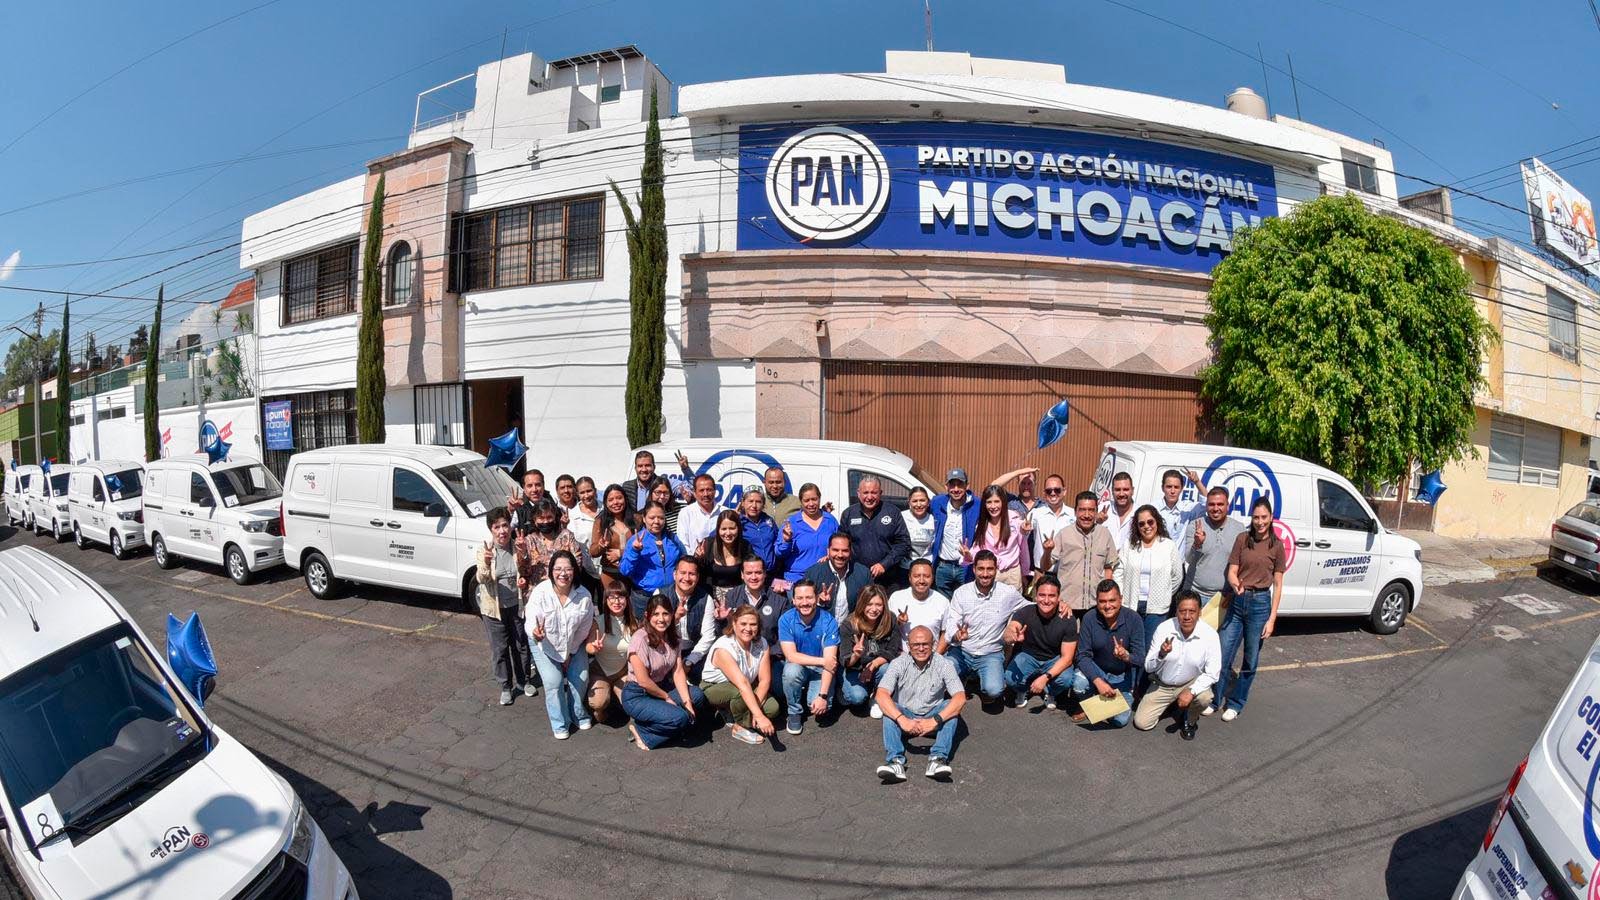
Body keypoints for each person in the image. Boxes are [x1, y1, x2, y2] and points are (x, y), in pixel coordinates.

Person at [1212, 496, 1287, 722]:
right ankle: (1215, 700)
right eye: (1256, 517)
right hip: (1238, 600)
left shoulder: (1277, 546)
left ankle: (1236, 703)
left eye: (1264, 517)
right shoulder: (1242, 539)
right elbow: (1232, 571)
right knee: (1223, 653)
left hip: (1260, 604)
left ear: (1271, 518)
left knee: (1250, 658)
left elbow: (1278, 585)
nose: (1260, 522)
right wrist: (1235, 583)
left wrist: (1272, 619)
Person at [874, 625, 965, 783]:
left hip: (933, 717)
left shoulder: (944, 664)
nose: (921, 648)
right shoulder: (898, 663)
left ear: (933, 644)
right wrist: (902, 719)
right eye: (916, 645)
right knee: (889, 707)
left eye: (925, 644)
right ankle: (895, 762)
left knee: (951, 707)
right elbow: (881, 694)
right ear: (909, 646)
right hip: (905, 718)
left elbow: (960, 697)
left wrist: (934, 720)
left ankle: (937, 759)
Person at [939, 551, 1027, 706]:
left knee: (994, 690)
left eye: (990, 569)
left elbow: (1031, 607)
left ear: (996, 569)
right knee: (942, 675)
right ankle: (964, 677)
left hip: (990, 654)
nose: (985, 574)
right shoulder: (961, 593)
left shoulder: (1008, 593)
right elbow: (951, 624)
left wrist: (1058, 605)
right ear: (974, 569)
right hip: (962, 651)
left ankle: (980, 680)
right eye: (981, 569)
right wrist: (957, 635)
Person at [621, 595, 708, 750]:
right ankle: (642, 731)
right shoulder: (639, 639)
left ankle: (665, 720)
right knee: (680, 718)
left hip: (661, 687)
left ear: (672, 615)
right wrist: (666, 697)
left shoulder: (673, 637)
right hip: (638, 695)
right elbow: (643, 681)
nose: (661, 619)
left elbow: (678, 671)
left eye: (665, 614)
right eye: (656, 614)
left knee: (697, 696)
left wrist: (687, 703)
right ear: (647, 616)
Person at [525, 552, 596, 739]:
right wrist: (535, 632)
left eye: (567, 569)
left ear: (574, 571)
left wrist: (569, 654)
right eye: (558, 569)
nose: (563, 574)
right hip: (544, 644)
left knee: (580, 678)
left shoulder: (584, 595)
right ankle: (560, 722)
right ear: (551, 571)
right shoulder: (541, 591)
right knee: (553, 682)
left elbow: (584, 629)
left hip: (573, 643)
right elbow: (530, 617)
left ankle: (578, 714)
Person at [1135, 592, 1220, 739]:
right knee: (1142, 723)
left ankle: (1190, 720)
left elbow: (1213, 673)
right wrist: (1161, 654)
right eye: (1182, 611)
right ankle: (1174, 705)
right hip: (1163, 684)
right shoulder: (1164, 628)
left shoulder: (1210, 635)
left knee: (1205, 697)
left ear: (1199, 612)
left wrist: (1191, 691)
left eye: (1192, 611)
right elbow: (1148, 667)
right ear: (1176, 612)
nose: (1187, 616)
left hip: (1190, 682)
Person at [474, 507, 535, 706]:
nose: (502, 531)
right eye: (497, 527)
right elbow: (481, 579)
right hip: (494, 610)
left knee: (521, 645)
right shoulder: (485, 550)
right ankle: (506, 687)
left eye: (505, 525)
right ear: (491, 530)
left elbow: (526, 571)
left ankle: (524, 681)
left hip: (517, 606)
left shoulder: (518, 546)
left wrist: (523, 574)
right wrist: (486, 562)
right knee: (500, 649)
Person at [699, 605, 780, 746]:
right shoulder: (724, 647)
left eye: (753, 624)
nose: (748, 628)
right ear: (734, 624)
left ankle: (736, 712)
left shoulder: (762, 643)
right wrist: (759, 716)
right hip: (714, 687)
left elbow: (765, 680)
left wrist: (755, 712)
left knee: (773, 708)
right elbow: (742, 684)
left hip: (745, 685)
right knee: (739, 693)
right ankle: (740, 727)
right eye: (743, 624)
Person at [1070, 580, 1146, 728]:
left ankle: (1096, 704)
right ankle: (1088, 703)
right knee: (1079, 684)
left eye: (1112, 600)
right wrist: (1099, 681)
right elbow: (1082, 656)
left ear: (1121, 599)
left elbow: (1140, 659)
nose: (1107, 606)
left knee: (1120, 721)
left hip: (1121, 675)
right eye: (1102, 601)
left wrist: (1126, 656)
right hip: (1097, 669)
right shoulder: (1090, 618)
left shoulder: (1134, 619)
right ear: (1097, 601)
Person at [1038, 491, 1122, 616]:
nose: (1086, 515)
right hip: (1067, 606)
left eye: (1091, 510)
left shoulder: (1104, 534)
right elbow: (1045, 567)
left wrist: (1107, 597)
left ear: (1096, 512)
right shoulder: (1064, 534)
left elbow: (1109, 567)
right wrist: (1047, 551)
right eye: (1082, 510)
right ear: (1075, 512)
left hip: (1096, 605)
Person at [1003, 574, 1079, 710]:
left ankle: (1050, 691)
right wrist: (1011, 636)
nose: (1046, 600)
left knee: (1066, 680)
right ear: (1035, 596)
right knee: (1010, 678)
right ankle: (1023, 689)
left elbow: (1067, 659)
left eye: (1051, 596)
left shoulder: (1068, 619)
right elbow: (1010, 630)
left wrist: (1045, 678)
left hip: (1054, 659)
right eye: (1042, 595)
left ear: (1059, 597)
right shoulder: (1025, 612)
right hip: (1029, 656)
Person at [1115, 504, 1185, 644]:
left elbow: (1177, 576)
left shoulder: (1168, 546)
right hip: (1131, 604)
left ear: (1157, 522)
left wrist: (1164, 593)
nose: (1146, 526)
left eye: (1150, 522)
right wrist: (1121, 593)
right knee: (1131, 645)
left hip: (1157, 609)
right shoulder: (1129, 545)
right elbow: (1118, 572)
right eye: (1141, 524)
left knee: (1151, 646)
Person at [777, 580, 840, 735]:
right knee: (790, 671)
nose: (804, 602)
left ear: (817, 598)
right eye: (800, 598)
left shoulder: (829, 621)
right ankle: (794, 711)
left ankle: (827, 691)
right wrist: (822, 661)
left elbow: (830, 663)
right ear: (793, 600)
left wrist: (822, 696)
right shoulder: (785, 620)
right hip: (799, 666)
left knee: (819, 706)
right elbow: (791, 655)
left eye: (809, 597)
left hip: (821, 670)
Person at [837, 585, 900, 717]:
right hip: (853, 668)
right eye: (869, 604)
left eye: (878, 605)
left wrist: (873, 666)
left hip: (877, 666)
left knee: (887, 668)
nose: (874, 609)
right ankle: (842, 688)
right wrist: (856, 655)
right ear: (861, 604)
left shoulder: (890, 619)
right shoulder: (849, 624)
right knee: (857, 697)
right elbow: (845, 660)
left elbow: (892, 650)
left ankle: (878, 695)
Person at [841, 476, 911, 588]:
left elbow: (903, 544)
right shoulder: (848, 514)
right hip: (857, 577)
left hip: (888, 579)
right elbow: (842, 544)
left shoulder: (893, 512)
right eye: (865, 492)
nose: (869, 497)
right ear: (858, 493)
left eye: (874, 492)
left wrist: (884, 564)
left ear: (880, 493)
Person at [655, 556, 720, 677]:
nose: (687, 578)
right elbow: (653, 631)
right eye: (683, 573)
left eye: (692, 574)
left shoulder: (706, 599)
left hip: (694, 651)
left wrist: (689, 661)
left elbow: (708, 636)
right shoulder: (660, 595)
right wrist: (675, 619)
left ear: (698, 577)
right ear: (674, 574)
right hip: (664, 649)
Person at [619, 502, 685, 616]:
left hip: (669, 595)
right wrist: (635, 551)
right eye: (652, 518)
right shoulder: (636, 540)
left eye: (661, 518)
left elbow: (684, 560)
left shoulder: (672, 538)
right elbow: (624, 570)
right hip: (644, 597)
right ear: (644, 519)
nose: (656, 521)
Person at [725, 554, 791, 666]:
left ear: (765, 574)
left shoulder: (780, 599)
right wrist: (720, 620)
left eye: (758, 573)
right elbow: (727, 631)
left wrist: (769, 654)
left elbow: (785, 634)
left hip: (771, 657)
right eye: (749, 573)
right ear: (742, 575)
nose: (754, 577)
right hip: (739, 658)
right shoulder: (732, 596)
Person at [586, 584, 637, 720]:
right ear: (606, 600)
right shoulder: (598, 621)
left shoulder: (634, 623)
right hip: (600, 671)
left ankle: (615, 695)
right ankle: (600, 709)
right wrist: (594, 648)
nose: (616, 601)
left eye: (620, 597)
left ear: (627, 599)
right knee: (598, 703)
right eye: (612, 597)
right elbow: (589, 646)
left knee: (631, 704)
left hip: (623, 672)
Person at [773, 483, 838, 589]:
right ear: (801, 501)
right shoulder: (791, 523)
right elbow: (779, 553)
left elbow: (840, 545)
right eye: (806, 500)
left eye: (814, 499)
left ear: (819, 498)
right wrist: (786, 541)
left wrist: (831, 555)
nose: (811, 504)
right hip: (797, 581)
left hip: (824, 579)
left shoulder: (830, 520)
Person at [966, 485, 1029, 591]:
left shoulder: (1015, 522)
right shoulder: (982, 524)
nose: (993, 506)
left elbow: (1023, 549)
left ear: (1003, 502)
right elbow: (978, 548)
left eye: (996, 501)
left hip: (1012, 574)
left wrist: (1024, 573)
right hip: (990, 573)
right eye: (989, 502)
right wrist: (968, 554)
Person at [517, 497, 591, 586]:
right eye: (541, 518)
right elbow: (523, 572)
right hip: (538, 589)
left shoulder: (567, 536)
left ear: (555, 518)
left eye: (549, 517)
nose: (545, 522)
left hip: (564, 586)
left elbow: (577, 563)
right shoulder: (529, 541)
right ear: (534, 520)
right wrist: (523, 553)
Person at [802, 532, 872, 620]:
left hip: (851, 626)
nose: (840, 555)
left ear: (850, 551)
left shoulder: (863, 573)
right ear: (828, 551)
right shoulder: (813, 573)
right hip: (821, 626)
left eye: (845, 551)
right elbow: (801, 605)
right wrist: (818, 601)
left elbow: (870, 603)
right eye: (835, 550)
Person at [887, 559, 950, 651]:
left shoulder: (942, 601)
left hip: (931, 654)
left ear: (932, 578)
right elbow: (886, 629)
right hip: (901, 654)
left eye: (926, 576)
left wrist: (937, 655)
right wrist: (898, 622)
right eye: (916, 576)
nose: (921, 580)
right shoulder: (896, 598)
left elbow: (945, 633)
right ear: (910, 578)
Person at [591, 484, 637, 595]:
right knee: (613, 603)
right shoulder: (601, 521)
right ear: (606, 503)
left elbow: (646, 546)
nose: (615, 502)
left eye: (619, 498)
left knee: (631, 605)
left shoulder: (636, 519)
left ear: (625, 499)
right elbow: (593, 552)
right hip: (610, 574)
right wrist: (601, 546)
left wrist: (621, 553)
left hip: (634, 573)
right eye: (611, 500)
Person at [1025, 474, 1076, 571]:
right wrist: (1023, 529)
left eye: (1057, 490)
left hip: (1066, 573)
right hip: (1041, 573)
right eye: (1049, 491)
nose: (1053, 493)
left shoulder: (1073, 515)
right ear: (1044, 493)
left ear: (1064, 491)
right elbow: (1023, 530)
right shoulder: (1036, 513)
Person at [698, 510, 750, 604]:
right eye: (724, 529)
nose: (728, 533)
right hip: (711, 598)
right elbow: (698, 573)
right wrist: (699, 559)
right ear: (718, 530)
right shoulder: (708, 545)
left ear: (738, 528)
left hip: (738, 597)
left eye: (732, 528)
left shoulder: (745, 546)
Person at [1157, 467, 1210, 558]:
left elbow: (1207, 503)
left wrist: (1197, 482)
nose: (1172, 491)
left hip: (1179, 563)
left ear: (1182, 489)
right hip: (1157, 562)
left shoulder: (1187, 508)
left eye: (1176, 487)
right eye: (1169, 487)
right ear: (1162, 488)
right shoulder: (1153, 509)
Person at [677, 474, 722, 554]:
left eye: (709, 490)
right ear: (694, 493)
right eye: (701, 490)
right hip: (694, 560)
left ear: (715, 492)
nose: (706, 494)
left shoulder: (724, 512)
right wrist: (694, 557)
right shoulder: (686, 513)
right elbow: (682, 544)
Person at [737, 487, 778, 571]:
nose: (754, 506)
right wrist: (733, 518)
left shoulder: (769, 521)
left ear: (763, 504)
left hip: (771, 572)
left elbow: (777, 542)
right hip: (751, 572)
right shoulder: (738, 522)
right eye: (750, 501)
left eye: (758, 502)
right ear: (743, 503)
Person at [1096, 472, 1138, 551]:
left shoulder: (1139, 514)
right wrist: (1095, 522)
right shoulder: (1102, 508)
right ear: (1112, 491)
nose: (1121, 494)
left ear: (1132, 491)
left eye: (1125, 489)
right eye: (1117, 490)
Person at [902, 486, 937, 564]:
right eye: (915, 501)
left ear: (928, 502)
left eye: (922, 500)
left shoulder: (934, 519)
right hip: (906, 565)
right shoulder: (901, 517)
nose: (919, 504)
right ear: (909, 502)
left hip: (928, 565)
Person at [507, 469, 548, 534]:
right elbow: (506, 532)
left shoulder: (553, 506)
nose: (534, 490)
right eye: (529, 486)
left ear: (543, 486)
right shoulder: (520, 512)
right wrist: (510, 512)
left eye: (538, 485)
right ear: (524, 488)